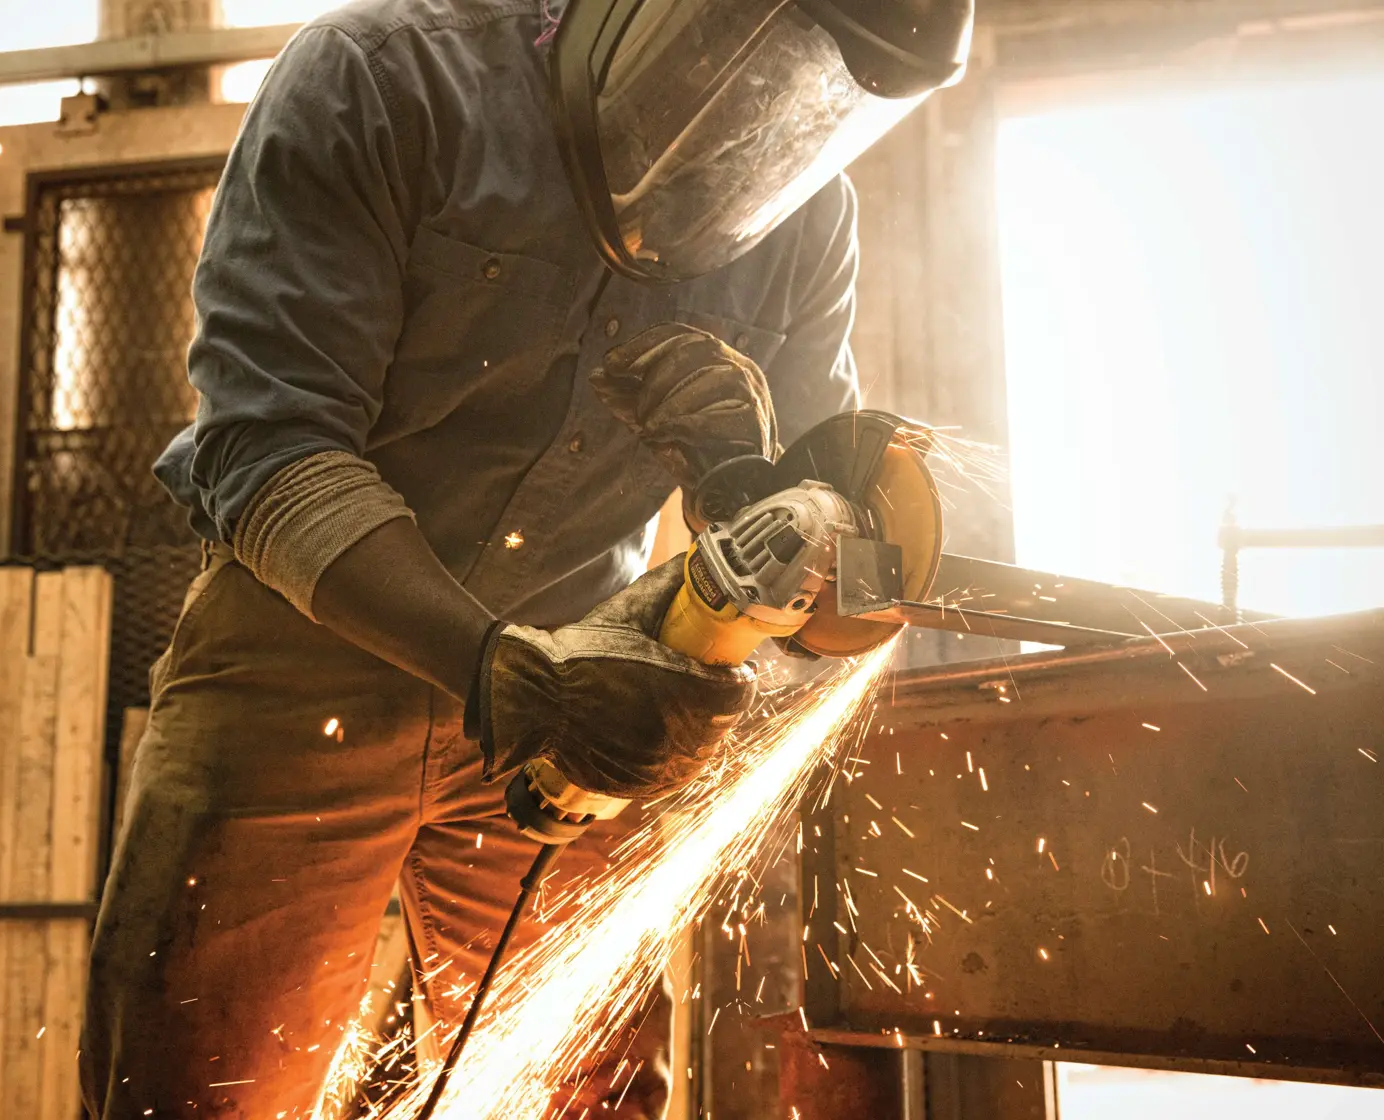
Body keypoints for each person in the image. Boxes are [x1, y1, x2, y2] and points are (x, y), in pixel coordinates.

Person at [80, 0, 973, 1114]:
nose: (772, 107)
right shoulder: (383, 80)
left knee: (580, 1093)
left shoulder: (805, 211)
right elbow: (268, 449)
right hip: (304, 656)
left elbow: (821, 546)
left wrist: (748, 480)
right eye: (770, 60)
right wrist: (501, 670)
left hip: (584, 680)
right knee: (189, 1091)